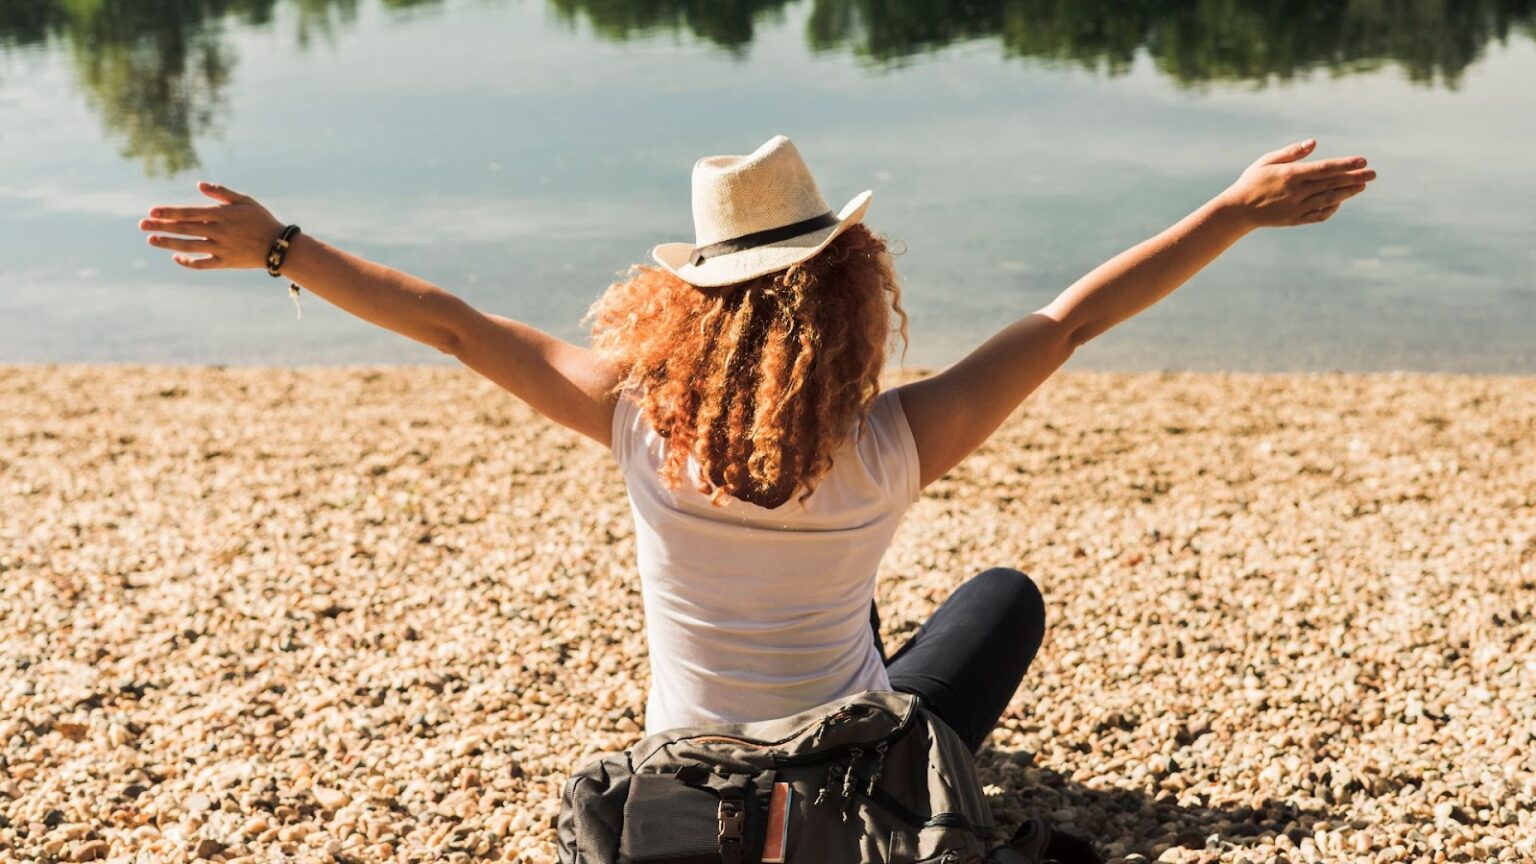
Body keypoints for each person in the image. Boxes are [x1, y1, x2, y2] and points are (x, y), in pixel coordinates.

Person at [137, 134, 1374, 755]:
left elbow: (455, 326)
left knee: (860, 617)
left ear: (691, 300)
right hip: (847, 784)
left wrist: (282, 247)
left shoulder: (632, 421)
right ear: (848, 291)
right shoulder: (896, 443)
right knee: (997, 598)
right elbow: (1070, 320)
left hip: (683, 785)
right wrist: (1232, 210)